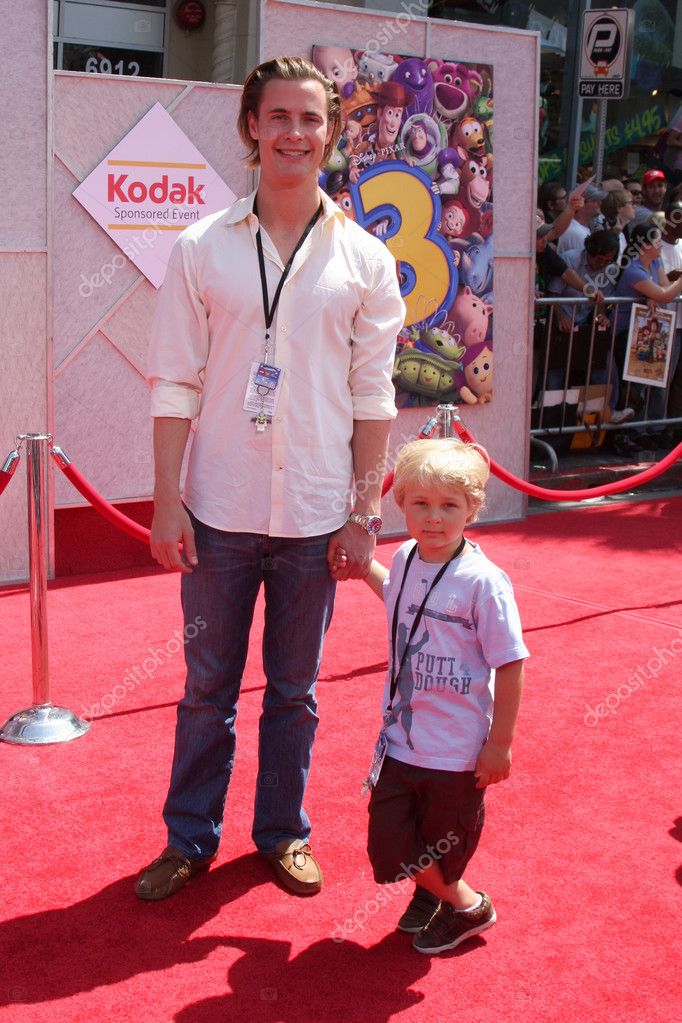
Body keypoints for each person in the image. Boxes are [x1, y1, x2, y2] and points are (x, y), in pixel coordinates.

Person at [137, 56, 406, 901]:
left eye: (312, 118)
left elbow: (374, 401)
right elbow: (173, 382)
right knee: (205, 686)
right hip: (216, 507)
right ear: (252, 127)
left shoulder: (364, 259)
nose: (296, 132)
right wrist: (167, 500)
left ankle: (283, 833)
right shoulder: (199, 248)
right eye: (279, 116)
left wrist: (363, 516)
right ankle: (189, 839)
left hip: (320, 514)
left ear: (330, 131)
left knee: (295, 692)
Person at [334, 438, 528, 954]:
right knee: (390, 840)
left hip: (457, 750)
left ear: (472, 509)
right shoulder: (403, 558)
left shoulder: (484, 581)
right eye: (421, 504)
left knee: (447, 841)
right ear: (401, 505)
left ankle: (458, 903)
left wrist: (500, 744)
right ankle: (458, 899)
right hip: (400, 740)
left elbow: (510, 664)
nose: (434, 518)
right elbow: (397, 593)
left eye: (449, 506)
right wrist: (362, 569)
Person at [612, 219, 682, 453]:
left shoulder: (654, 261)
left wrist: (655, 293)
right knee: (629, 389)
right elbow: (664, 295)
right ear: (643, 246)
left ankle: (638, 431)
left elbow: (662, 287)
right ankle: (623, 435)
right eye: (655, 240)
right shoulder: (633, 269)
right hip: (624, 334)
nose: (660, 244)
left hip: (643, 334)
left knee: (645, 384)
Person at [556, 183, 606, 254]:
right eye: (594, 200)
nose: (600, 203)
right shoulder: (576, 232)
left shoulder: (579, 228)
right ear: (580, 204)